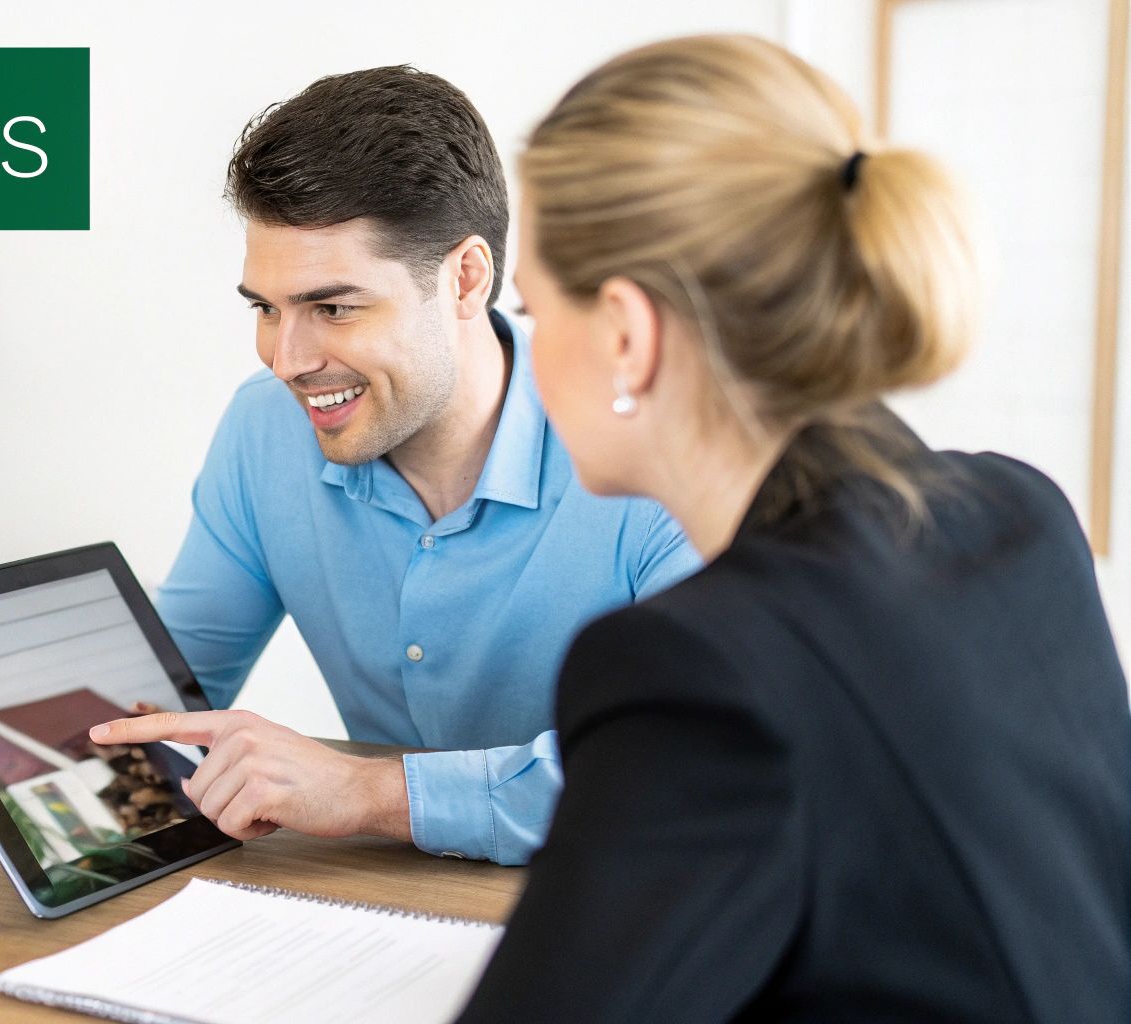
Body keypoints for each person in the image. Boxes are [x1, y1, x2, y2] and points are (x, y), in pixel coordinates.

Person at [455, 34, 1131, 1021]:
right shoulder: (1014, 512)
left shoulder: (700, 669)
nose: (527, 344)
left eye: (530, 307)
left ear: (626, 335)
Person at [91, 66, 699, 865]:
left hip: (624, 908)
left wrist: (368, 793)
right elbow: (170, 697)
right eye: (266, 309)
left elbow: (692, 765)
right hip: (381, 908)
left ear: (466, 279)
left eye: (333, 307)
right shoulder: (265, 430)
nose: (287, 359)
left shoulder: (656, 451)